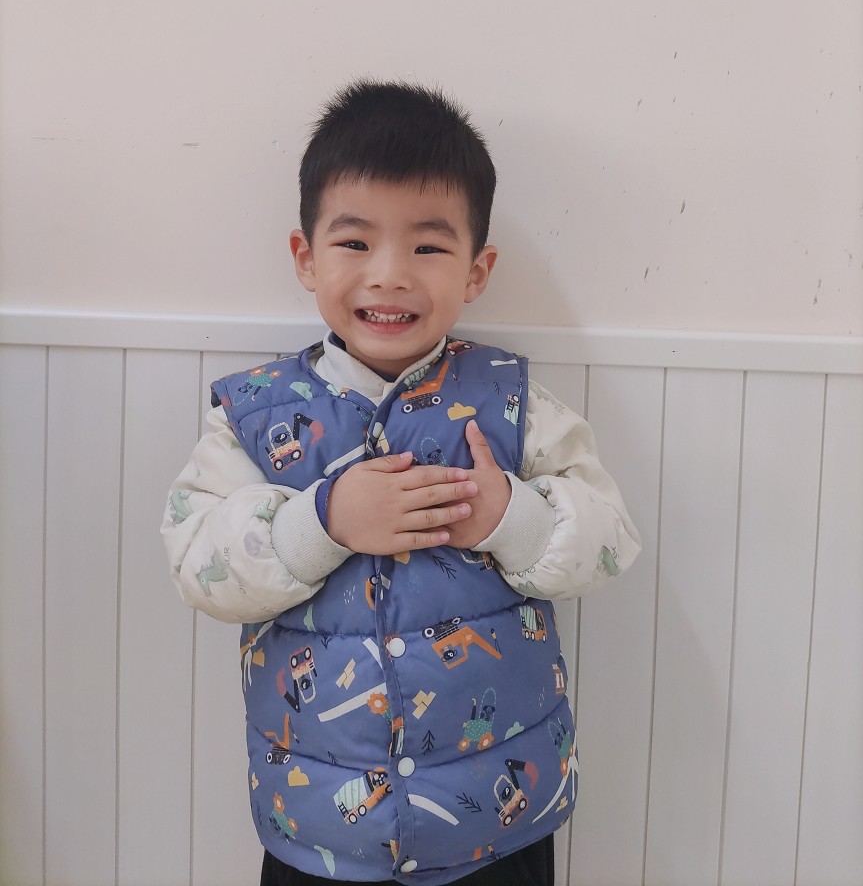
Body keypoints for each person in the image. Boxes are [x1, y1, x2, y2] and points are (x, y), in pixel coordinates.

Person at [162, 81, 640, 886]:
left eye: (427, 248)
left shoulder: (516, 404)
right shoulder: (254, 415)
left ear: (477, 270)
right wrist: (323, 523)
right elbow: (196, 562)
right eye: (354, 243)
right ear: (306, 258)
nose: (388, 276)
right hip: (322, 832)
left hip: (497, 830)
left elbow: (611, 538)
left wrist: (510, 518)